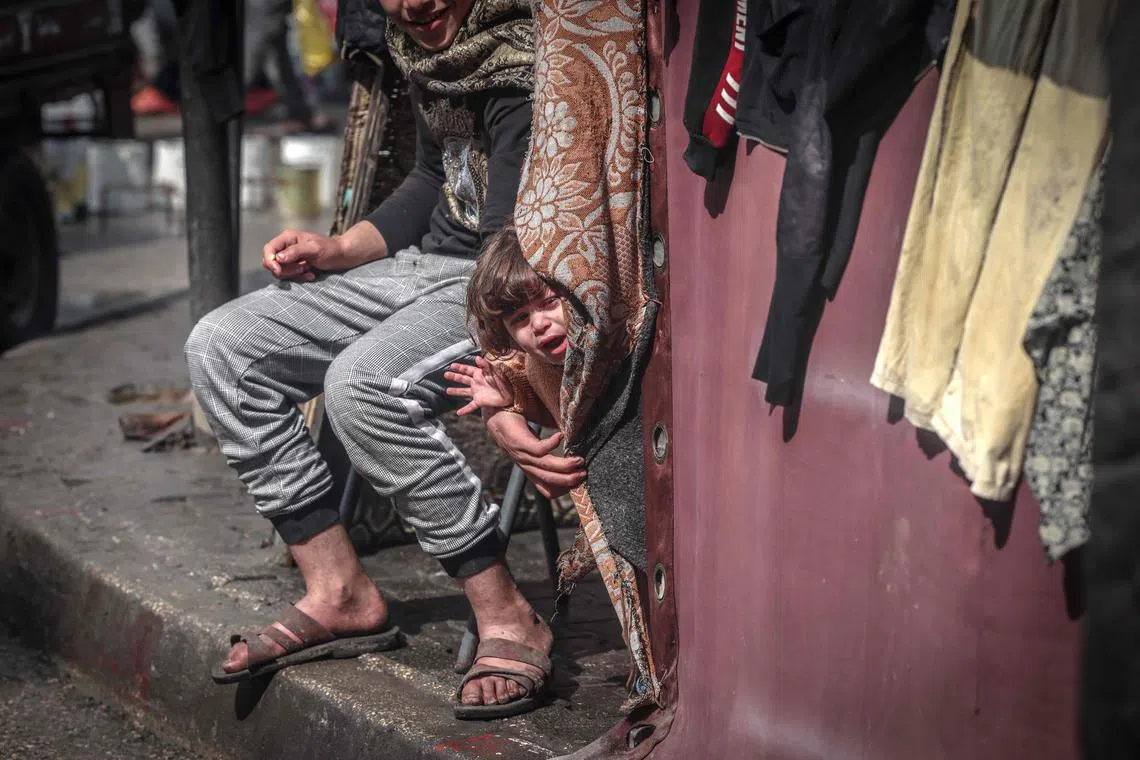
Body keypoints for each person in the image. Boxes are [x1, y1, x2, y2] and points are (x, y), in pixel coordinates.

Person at [184, 0, 585, 720]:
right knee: (221, 346)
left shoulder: (525, 62)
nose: (412, 6)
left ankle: (506, 614)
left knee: (363, 383)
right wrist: (339, 249)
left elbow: (507, 250)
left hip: (501, 286)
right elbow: (434, 179)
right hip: (421, 268)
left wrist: (510, 385)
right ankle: (338, 589)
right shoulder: (430, 53)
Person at [444, 221, 569, 431]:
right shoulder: (538, 369)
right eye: (520, 318)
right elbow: (562, 415)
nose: (538, 324)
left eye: (549, 303)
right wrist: (510, 398)